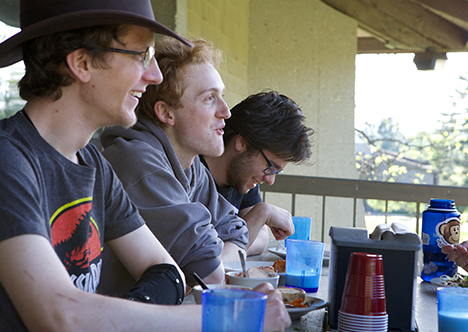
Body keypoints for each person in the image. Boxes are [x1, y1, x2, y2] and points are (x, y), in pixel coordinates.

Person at [0, 1, 290, 331]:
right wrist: (230, 317)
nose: (153, 76)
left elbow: (166, 271)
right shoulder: (9, 161)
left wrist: (123, 316)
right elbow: (59, 314)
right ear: (82, 63)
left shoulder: (93, 164)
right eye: (141, 55)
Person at [100, 37, 294, 289]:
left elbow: (237, 233)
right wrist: (214, 257)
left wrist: (214, 256)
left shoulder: (191, 167)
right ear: (167, 113)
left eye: (221, 96)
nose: (226, 111)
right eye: (209, 98)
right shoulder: (140, 163)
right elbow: (209, 273)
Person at [200, 91, 314, 255]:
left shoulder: (243, 177)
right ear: (243, 142)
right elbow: (205, 257)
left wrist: (232, 247)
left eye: (276, 172)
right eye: (271, 167)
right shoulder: (191, 174)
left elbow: (261, 237)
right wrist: (262, 213)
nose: (270, 180)